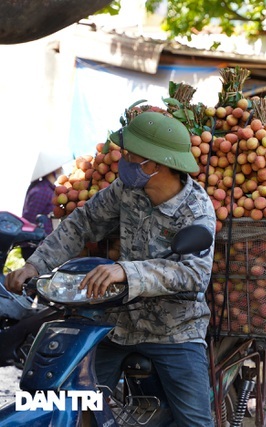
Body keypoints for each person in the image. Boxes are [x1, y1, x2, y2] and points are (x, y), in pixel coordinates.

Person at [6, 111, 216, 427]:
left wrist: (127, 272)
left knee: (196, 422)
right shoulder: (126, 190)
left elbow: (194, 273)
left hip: (174, 331)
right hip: (117, 324)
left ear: (156, 165)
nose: (124, 159)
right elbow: (82, 223)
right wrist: (36, 264)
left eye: (132, 155)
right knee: (80, 405)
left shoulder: (197, 211)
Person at [20, 167, 63, 258]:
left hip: (41, 244)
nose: (62, 169)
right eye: (59, 167)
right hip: (35, 247)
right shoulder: (42, 190)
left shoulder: (50, 190)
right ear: (53, 170)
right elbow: (30, 219)